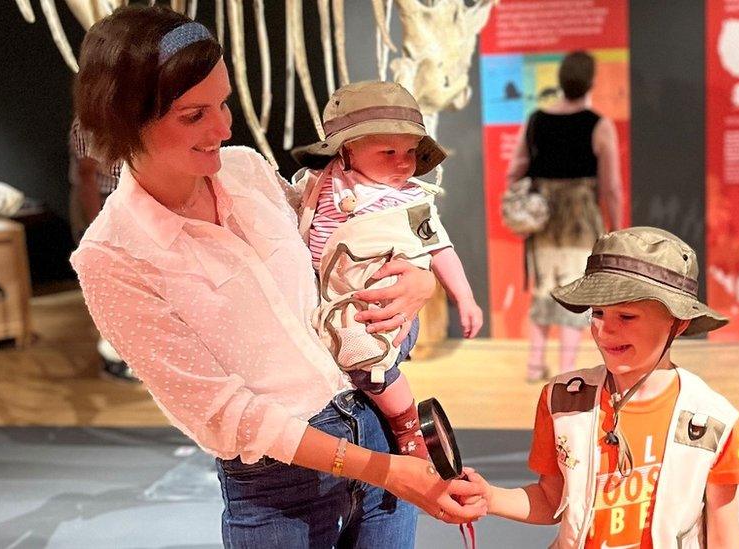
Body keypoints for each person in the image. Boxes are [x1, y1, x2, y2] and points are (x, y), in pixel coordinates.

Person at [68, 6, 485, 547]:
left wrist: (421, 277)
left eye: (223, 103)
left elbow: (342, 241)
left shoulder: (244, 168)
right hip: (282, 488)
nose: (222, 127)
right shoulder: (112, 257)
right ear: (126, 120)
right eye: (194, 115)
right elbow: (223, 414)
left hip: (375, 424)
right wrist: (379, 469)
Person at [465, 227, 739, 548]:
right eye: (597, 313)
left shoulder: (712, 420)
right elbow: (551, 499)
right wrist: (488, 496)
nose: (605, 329)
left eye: (627, 316)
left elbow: (724, 534)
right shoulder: (561, 398)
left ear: (678, 322)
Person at [290, 80, 483, 459]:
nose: (404, 163)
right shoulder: (319, 184)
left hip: (376, 303)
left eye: (411, 152)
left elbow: (439, 246)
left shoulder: (409, 198)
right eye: (388, 151)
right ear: (346, 150)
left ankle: (407, 423)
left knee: (362, 352)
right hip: (327, 295)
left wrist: (465, 297)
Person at [508, 51, 624, 381]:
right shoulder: (598, 125)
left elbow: (516, 167)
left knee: (544, 286)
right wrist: (616, 230)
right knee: (575, 289)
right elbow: (611, 187)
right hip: (581, 220)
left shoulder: (536, 119)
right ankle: (566, 369)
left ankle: (534, 365)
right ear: (590, 82)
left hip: (544, 219)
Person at [68, 118, 136, 382]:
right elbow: (87, 176)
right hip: (101, 201)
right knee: (109, 284)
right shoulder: (88, 124)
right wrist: (98, 228)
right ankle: (113, 358)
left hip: (130, 201)